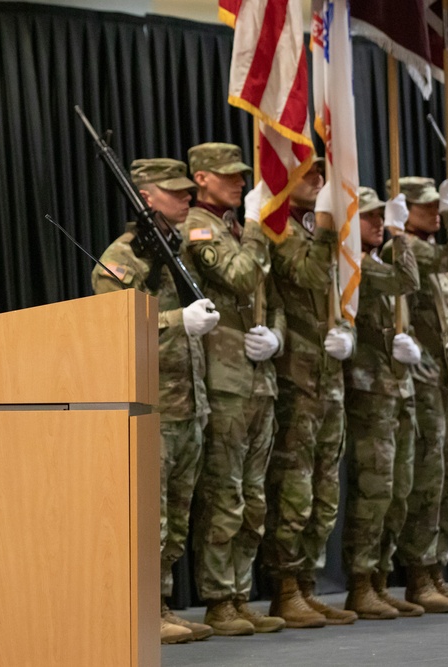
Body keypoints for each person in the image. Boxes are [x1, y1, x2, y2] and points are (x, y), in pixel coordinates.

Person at [91, 158, 220, 645]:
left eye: (189, 190)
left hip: (188, 405)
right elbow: (110, 325)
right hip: (150, 407)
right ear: (146, 197)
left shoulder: (176, 249)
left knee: (177, 520)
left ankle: (161, 604)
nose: (187, 198)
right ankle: (142, 610)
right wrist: (173, 322)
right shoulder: (123, 259)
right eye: (175, 191)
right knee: (151, 518)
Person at [182, 143, 287, 636]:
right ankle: (219, 598)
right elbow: (241, 276)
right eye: (229, 176)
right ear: (200, 178)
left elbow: (272, 298)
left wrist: (278, 336)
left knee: (254, 496)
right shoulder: (198, 228)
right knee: (225, 495)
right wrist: (260, 232)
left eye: (242, 175)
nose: (240, 182)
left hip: (258, 380)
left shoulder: (238, 230)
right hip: (223, 380)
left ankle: (241, 593)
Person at [261, 157, 358, 628]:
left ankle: (306, 584)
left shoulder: (323, 233)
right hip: (295, 379)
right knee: (294, 492)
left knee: (324, 493)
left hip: (328, 380)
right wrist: (323, 222)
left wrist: (348, 335)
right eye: (309, 174)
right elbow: (312, 276)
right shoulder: (280, 231)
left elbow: (339, 293)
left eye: (322, 175)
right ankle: (283, 589)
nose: (320, 181)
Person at [393, 175, 448, 612]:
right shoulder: (407, 247)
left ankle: (437, 569)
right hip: (424, 375)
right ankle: (418, 572)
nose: (434, 212)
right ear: (404, 209)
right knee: (428, 478)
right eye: (426, 206)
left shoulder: (430, 249)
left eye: (437, 206)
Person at [340, 187, 422, 620]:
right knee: (374, 490)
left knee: (398, 489)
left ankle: (380, 578)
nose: (375, 225)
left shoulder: (374, 263)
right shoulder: (356, 266)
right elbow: (407, 279)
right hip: (370, 389)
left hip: (395, 387)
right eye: (368, 218)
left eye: (379, 218)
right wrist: (398, 233)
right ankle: (359, 581)